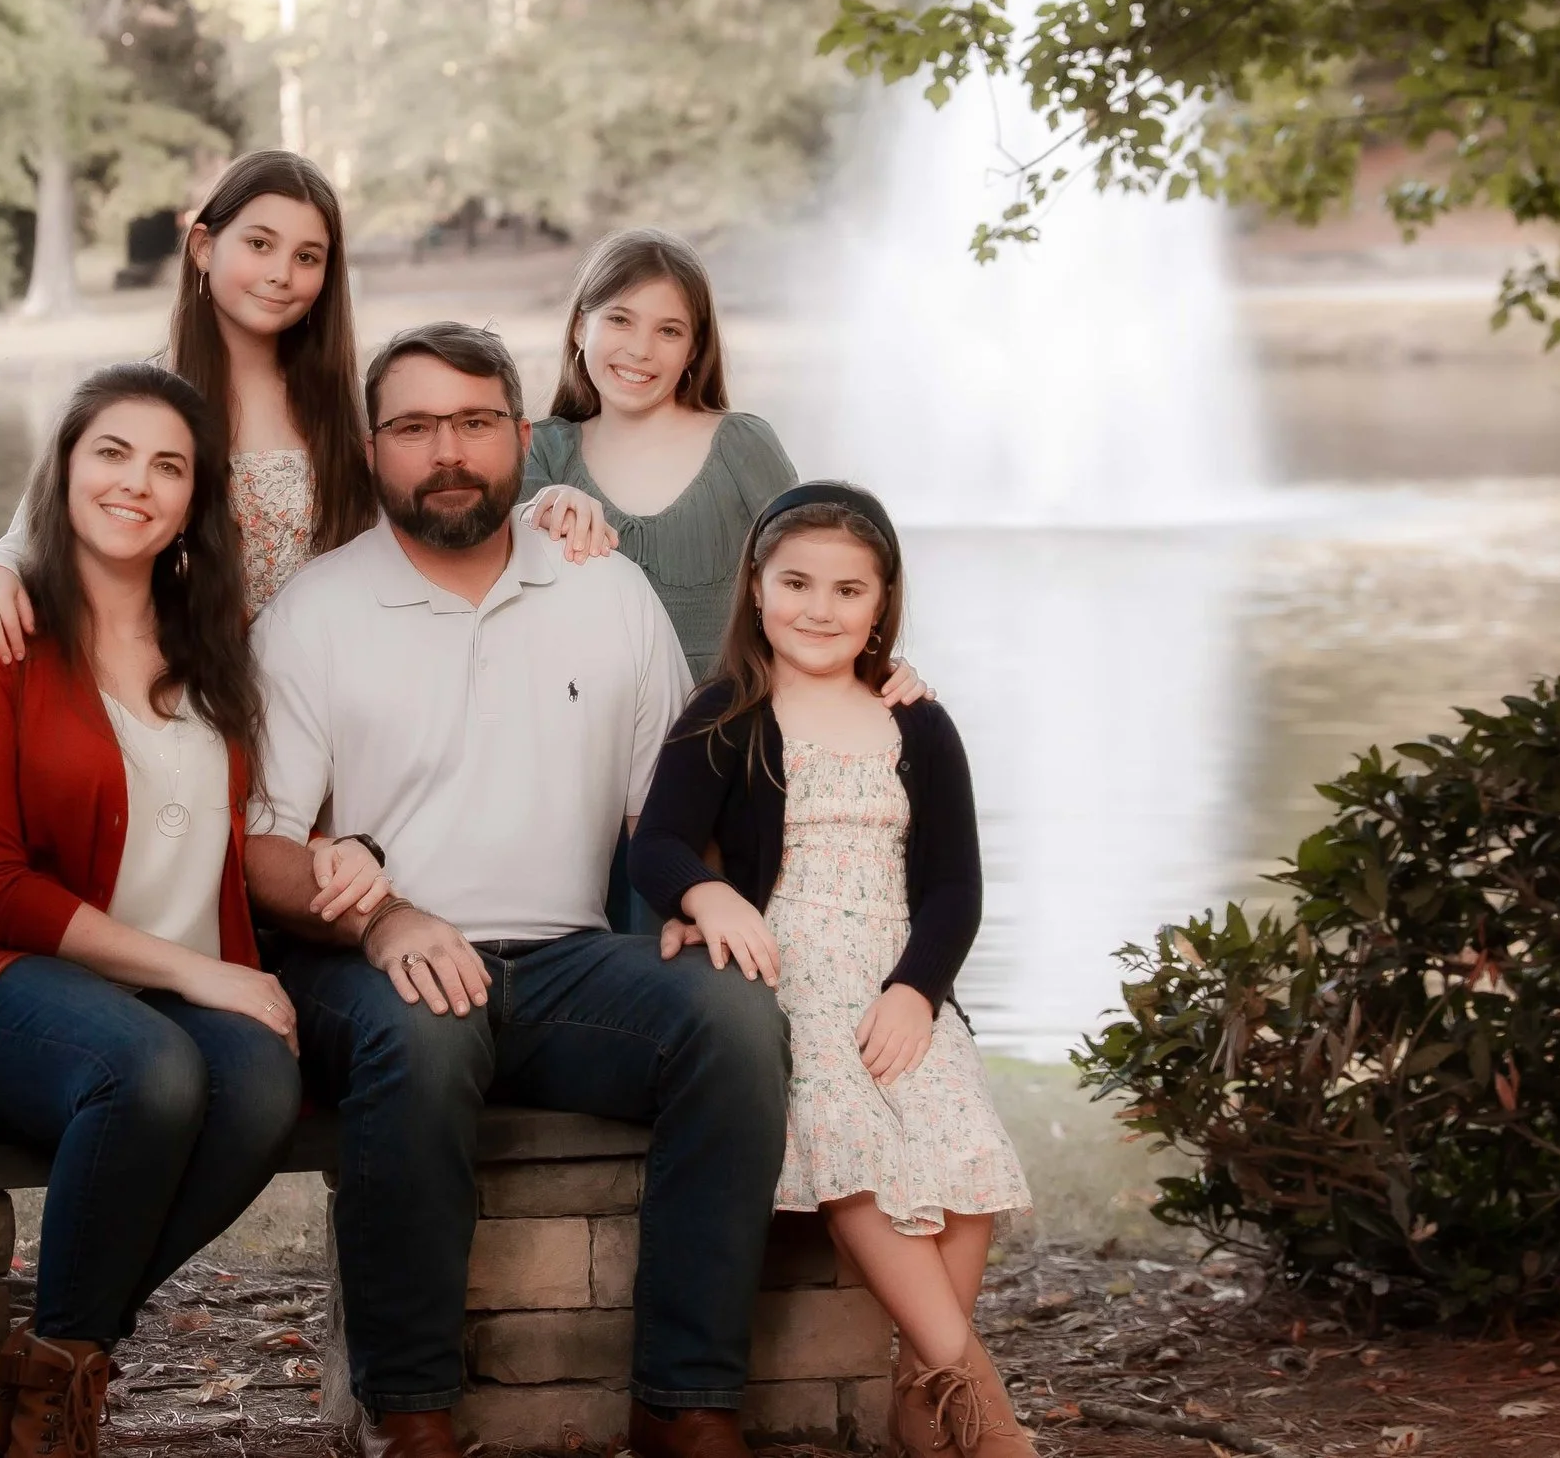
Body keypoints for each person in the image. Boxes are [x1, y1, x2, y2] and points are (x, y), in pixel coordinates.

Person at [243, 320, 793, 1458]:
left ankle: (684, 1401)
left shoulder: (611, 594)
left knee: (736, 1023)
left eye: (475, 422)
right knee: (429, 1028)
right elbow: (262, 852)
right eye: (414, 426)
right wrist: (386, 916)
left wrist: (701, 897)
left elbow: (663, 819)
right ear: (372, 444)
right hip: (363, 966)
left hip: (559, 962)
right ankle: (413, 1414)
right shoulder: (315, 612)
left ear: (522, 436)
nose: (447, 449)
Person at [0, 362, 385, 1458]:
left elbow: (287, 798)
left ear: (194, 501)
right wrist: (204, 973)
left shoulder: (220, 647)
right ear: (61, 472)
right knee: (148, 1069)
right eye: (111, 453)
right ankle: (54, 1410)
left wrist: (349, 848)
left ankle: (47, 1369)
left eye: (168, 465)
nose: (135, 483)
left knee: (255, 1080)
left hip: (154, 993)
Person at [630, 484, 1034, 1458]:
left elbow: (954, 888)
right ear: (755, 588)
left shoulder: (918, 724)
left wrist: (915, 990)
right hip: (788, 961)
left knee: (961, 1144)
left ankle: (915, 1392)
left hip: (900, 966)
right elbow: (659, 844)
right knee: (847, 1130)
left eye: (848, 589)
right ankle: (984, 1409)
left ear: (881, 603)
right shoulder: (728, 709)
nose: (819, 608)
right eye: (796, 583)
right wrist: (709, 896)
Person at [0, 151, 608, 650]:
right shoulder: (136, 404)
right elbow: (30, 537)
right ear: (204, 247)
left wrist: (546, 505)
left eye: (308, 256)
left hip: (339, 697)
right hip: (185, 694)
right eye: (259, 245)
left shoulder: (348, 409)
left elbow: (443, 512)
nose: (281, 274)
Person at [520, 228, 929, 930]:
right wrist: (538, 508)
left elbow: (823, 569)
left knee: (714, 962)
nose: (640, 349)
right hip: (580, 772)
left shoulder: (740, 445)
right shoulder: (547, 451)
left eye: (668, 330)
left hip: (724, 765)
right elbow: (489, 575)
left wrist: (879, 667)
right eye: (619, 319)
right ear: (580, 325)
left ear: (694, 349)